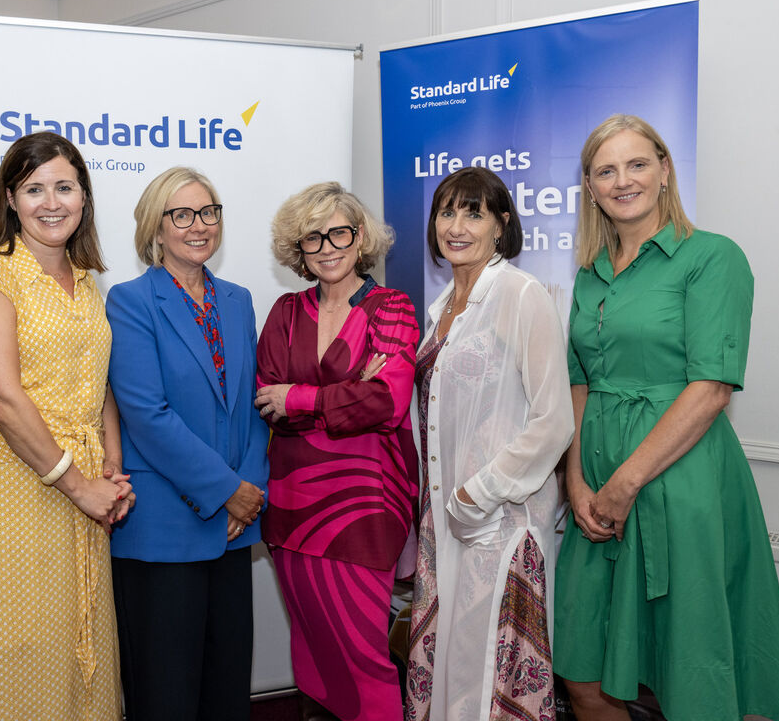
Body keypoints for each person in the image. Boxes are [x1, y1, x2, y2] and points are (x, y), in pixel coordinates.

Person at [553, 115, 779, 720]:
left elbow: (713, 387)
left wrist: (625, 483)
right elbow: (579, 381)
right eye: (605, 170)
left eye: (637, 164)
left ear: (664, 170)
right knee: (581, 670)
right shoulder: (591, 274)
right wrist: (577, 481)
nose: (623, 181)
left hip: (681, 480)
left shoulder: (712, 257)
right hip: (595, 490)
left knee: (692, 670)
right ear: (589, 187)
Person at [0, 131, 132, 720]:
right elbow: (2, 398)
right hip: (12, 483)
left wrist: (112, 466)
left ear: (84, 197)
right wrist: (79, 486)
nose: (51, 202)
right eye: (34, 189)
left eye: (65, 187)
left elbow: (100, 380)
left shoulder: (86, 281)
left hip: (83, 482)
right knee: (17, 644)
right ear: (10, 198)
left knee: (78, 638)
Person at [404, 167, 575, 721]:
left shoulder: (522, 296)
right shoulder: (439, 309)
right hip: (443, 518)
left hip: (499, 517)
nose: (456, 226)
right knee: (453, 663)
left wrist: (479, 493)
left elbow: (553, 420)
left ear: (502, 225)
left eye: (473, 213)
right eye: (447, 212)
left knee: (488, 677)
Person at [105, 166, 269, 721]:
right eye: (181, 215)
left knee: (226, 692)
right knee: (166, 695)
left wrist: (248, 491)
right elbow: (147, 415)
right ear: (156, 227)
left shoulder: (239, 299)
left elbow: (252, 403)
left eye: (208, 212)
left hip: (231, 527)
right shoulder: (131, 302)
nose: (198, 226)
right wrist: (228, 491)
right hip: (163, 528)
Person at [255, 182, 419, 721]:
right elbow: (266, 399)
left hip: (363, 510)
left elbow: (387, 402)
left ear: (361, 237)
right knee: (313, 655)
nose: (327, 247)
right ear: (297, 249)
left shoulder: (393, 307)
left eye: (339, 232)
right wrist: (342, 398)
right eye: (312, 238)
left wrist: (300, 398)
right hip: (292, 508)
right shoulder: (283, 311)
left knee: (364, 657)